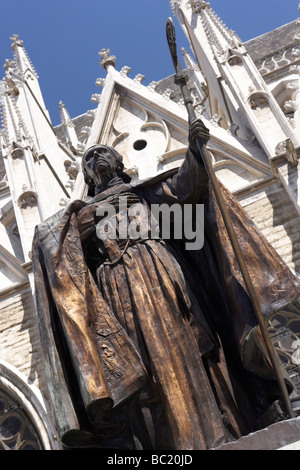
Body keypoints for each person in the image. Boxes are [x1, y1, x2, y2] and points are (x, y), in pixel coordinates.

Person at [32, 119, 300, 450]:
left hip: (164, 275)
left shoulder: (147, 195)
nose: (95, 158)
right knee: (150, 371)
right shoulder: (81, 217)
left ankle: (225, 428)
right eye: (89, 160)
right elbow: (56, 246)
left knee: (196, 350)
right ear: (87, 178)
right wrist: (87, 217)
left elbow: (187, 190)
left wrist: (196, 149)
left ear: (120, 163)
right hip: (121, 291)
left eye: (102, 152)